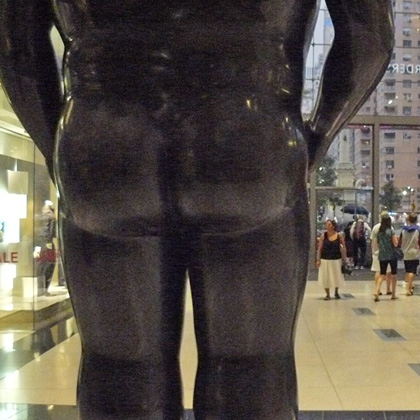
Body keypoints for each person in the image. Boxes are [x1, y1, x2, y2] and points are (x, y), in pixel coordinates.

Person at [0, 1, 394, 419]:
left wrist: (61, 150)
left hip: (106, 141)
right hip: (247, 140)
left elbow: (13, 44)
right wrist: (311, 143)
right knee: (250, 366)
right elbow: (371, 40)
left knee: (120, 367)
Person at [316, 219, 347, 300]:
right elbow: (319, 248)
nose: (327, 226)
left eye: (329, 224)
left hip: (336, 259)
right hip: (325, 259)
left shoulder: (339, 236)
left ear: (333, 226)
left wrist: (345, 259)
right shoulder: (323, 236)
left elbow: (343, 248)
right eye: (326, 224)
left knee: (337, 276)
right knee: (326, 277)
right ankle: (327, 294)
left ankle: (336, 291)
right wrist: (318, 259)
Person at [34, 200, 57, 296]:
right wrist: (49, 243)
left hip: (39, 243)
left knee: (40, 266)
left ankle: (40, 289)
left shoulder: (38, 217)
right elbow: (52, 232)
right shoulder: (51, 217)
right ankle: (45, 289)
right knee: (50, 265)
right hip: (47, 243)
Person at [374, 212, 399, 302]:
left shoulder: (379, 231)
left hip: (382, 255)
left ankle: (377, 291)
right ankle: (393, 294)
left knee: (382, 274)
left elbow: (377, 243)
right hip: (392, 255)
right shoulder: (391, 230)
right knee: (393, 274)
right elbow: (395, 243)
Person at [371, 212, 392, 296]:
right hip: (387, 252)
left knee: (378, 271)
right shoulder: (390, 228)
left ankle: (377, 289)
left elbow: (373, 240)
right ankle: (388, 289)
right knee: (388, 272)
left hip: (377, 252)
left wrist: (373, 250)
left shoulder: (375, 227)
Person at [400, 213, 420, 296]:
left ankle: (410, 284)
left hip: (406, 252)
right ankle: (409, 290)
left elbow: (400, 241)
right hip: (415, 252)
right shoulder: (418, 230)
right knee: (412, 271)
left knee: (408, 270)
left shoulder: (403, 230)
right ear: (416, 220)